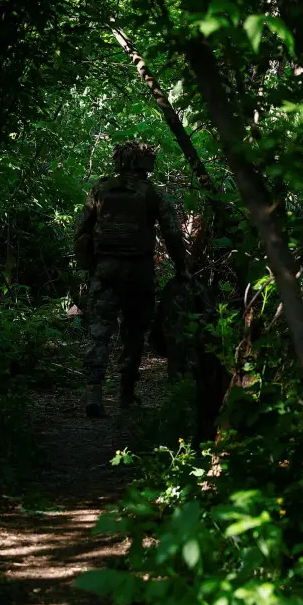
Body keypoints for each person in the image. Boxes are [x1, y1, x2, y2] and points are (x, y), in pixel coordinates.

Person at [73, 141, 189, 416]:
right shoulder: (152, 194)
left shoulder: (100, 189)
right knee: (134, 332)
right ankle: (125, 394)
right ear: (146, 163)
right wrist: (182, 267)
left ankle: (94, 394)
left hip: (105, 270)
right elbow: (172, 233)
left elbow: (82, 231)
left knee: (99, 332)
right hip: (138, 271)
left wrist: (89, 265)